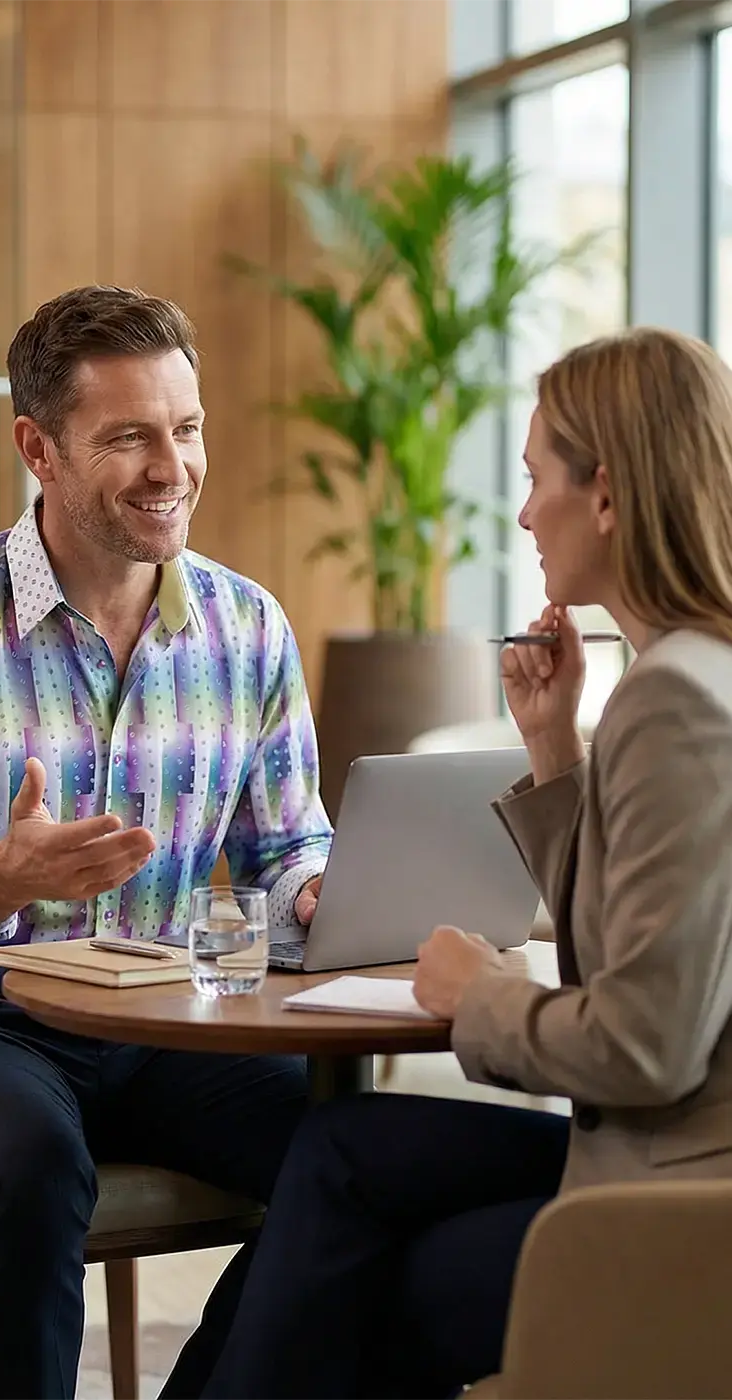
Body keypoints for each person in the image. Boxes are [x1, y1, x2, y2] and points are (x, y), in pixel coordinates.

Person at [193, 326, 732, 1400]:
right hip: (656, 1162)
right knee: (337, 1155)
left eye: (537, 478)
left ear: (610, 495)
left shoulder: (675, 703)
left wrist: (479, 993)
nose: (524, 509)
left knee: (335, 1278)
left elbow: (645, 1042)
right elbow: (638, 931)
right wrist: (551, 748)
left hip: (673, 1210)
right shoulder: (691, 674)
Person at [0, 285, 332, 1400]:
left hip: (170, 1020)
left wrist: (313, 889)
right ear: (37, 447)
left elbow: (286, 841)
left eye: (186, 428)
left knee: (349, 1156)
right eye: (129, 436)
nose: (171, 465)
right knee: (30, 1160)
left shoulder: (249, 628)